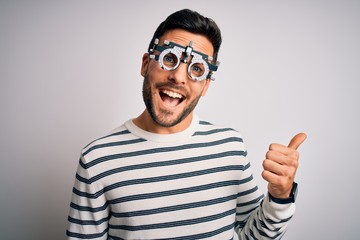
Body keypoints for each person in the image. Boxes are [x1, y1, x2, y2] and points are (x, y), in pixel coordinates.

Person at [66, 8, 307, 240]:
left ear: (206, 86)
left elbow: (251, 236)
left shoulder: (230, 147)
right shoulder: (97, 160)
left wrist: (280, 197)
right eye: (169, 58)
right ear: (145, 64)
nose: (179, 77)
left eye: (197, 69)